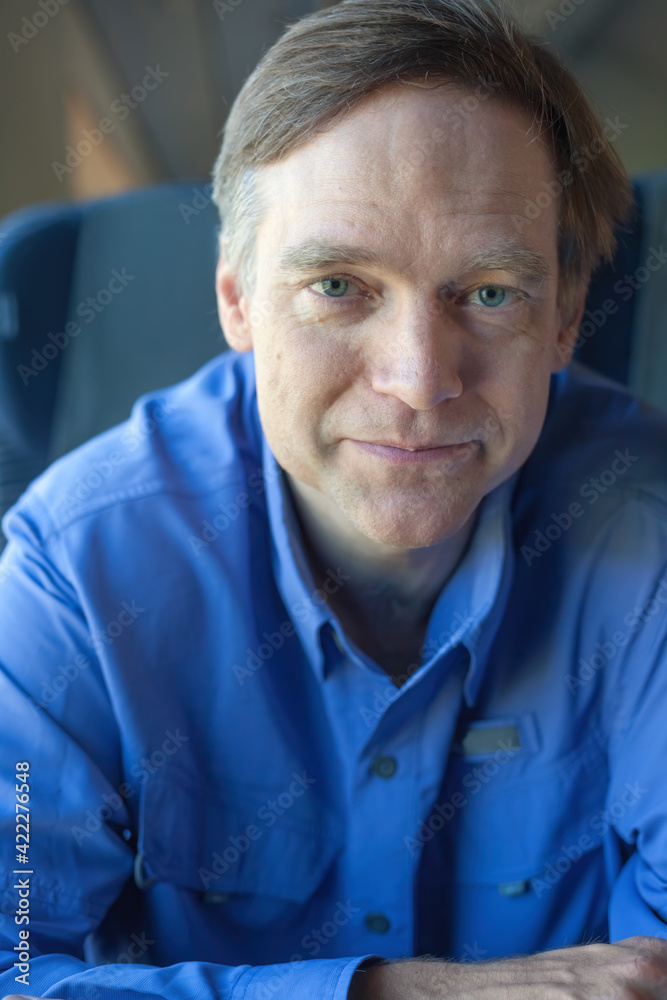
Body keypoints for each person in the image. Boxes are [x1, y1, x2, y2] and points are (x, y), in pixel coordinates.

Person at [1, 0, 667, 998]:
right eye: (339, 286)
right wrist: (394, 992)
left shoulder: (649, 538)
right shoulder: (75, 576)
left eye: (488, 292)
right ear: (236, 299)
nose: (416, 381)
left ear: (567, 319)